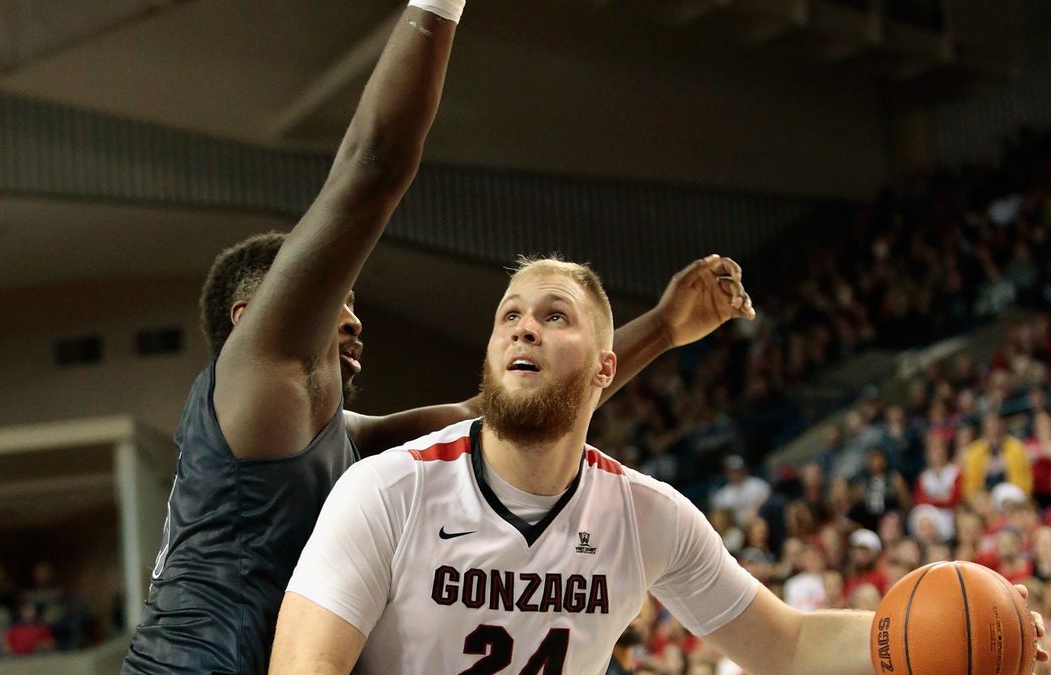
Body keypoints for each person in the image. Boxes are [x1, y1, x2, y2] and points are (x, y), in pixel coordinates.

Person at [123, 4, 756, 672]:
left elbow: (496, 414)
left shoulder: (333, 437)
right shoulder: (261, 370)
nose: (355, 318)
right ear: (253, 314)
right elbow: (372, 166)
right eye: (339, 301)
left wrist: (663, 327)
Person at [270, 256, 1049, 674]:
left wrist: (951, 628)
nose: (523, 329)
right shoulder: (388, 489)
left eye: (553, 315)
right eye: (509, 315)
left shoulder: (645, 515)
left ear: (607, 368)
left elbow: (785, 643)